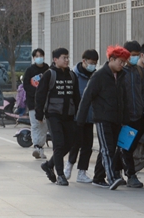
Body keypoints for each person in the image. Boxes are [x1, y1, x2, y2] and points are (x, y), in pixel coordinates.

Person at [77, 46, 130, 190]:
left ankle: (98, 178)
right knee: (107, 149)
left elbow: (124, 98)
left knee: (108, 149)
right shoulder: (99, 76)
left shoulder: (121, 76)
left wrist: (125, 118)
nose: (122, 64)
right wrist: (80, 119)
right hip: (102, 118)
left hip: (116, 118)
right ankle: (112, 178)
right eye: (120, 61)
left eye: (124, 62)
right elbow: (87, 98)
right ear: (111, 59)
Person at [36, 48, 81, 186]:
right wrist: (39, 114)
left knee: (70, 143)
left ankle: (49, 165)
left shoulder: (72, 75)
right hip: (53, 115)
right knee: (59, 144)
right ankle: (60, 175)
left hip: (69, 115)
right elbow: (40, 95)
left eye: (68, 57)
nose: (67, 60)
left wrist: (79, 114)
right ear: (55, 59)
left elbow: (76, 97)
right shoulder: (49, 74)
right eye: (64, 58)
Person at [117, 40, 144, 188]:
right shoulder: (119, 72)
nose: (134, 58)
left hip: (141, 116)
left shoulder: (139, 71)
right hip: (126, 118)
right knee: (126, 147)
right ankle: (130, 175)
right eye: (132, 55)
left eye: (136, 55)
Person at [65, 49, 98, 183]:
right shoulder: (73, 76)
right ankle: (69, 166)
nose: (93, 65)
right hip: (77, 117)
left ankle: (82, 172)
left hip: (90, 117)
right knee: (75, 143)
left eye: (95, 63)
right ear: (84, 61)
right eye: (91, 62)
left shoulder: (95, 76)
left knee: (88, 145)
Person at [22, 48, 50, 159]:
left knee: (44, 125)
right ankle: (36, 146)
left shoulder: (48, 69)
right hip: (33, 102)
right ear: (33, 58)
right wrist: (37, 92)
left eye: (41, 56)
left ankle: (40, 146)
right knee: (35, 124)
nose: (39, 58)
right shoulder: (30, 70)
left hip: (45, 102)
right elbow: (26, 85)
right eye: (37, 56)